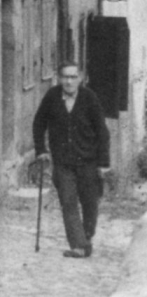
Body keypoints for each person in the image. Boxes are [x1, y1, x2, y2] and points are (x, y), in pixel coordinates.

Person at [33, 61, 110, 259]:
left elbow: (102, 131)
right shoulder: (52, 96)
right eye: (65, 77)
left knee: (90, 204)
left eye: (73, 77)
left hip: (88, 161)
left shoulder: (89, 98)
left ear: (80, 78)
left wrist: (103, 163)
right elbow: (39, 122)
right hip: (63, 162)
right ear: (59, 78)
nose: (69, 81)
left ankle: (86, 237)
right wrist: (41, 150)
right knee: (68, 202)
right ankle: (78, 245)